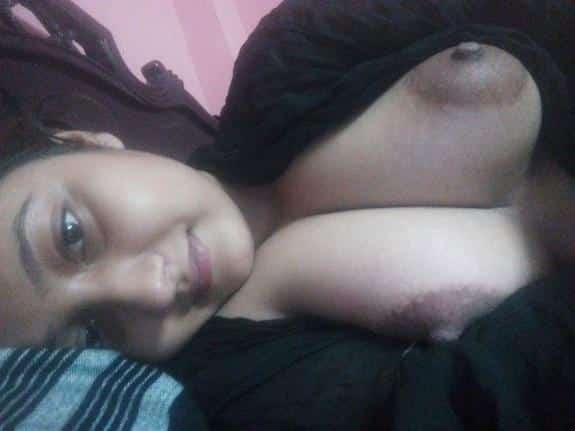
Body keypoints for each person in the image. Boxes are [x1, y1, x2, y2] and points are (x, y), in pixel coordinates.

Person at [0, 0, 571, 362]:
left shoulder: (289, 56)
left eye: (71, 234)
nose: (149, 292)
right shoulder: (248, 388)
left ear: (88, 141)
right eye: (93, 333)